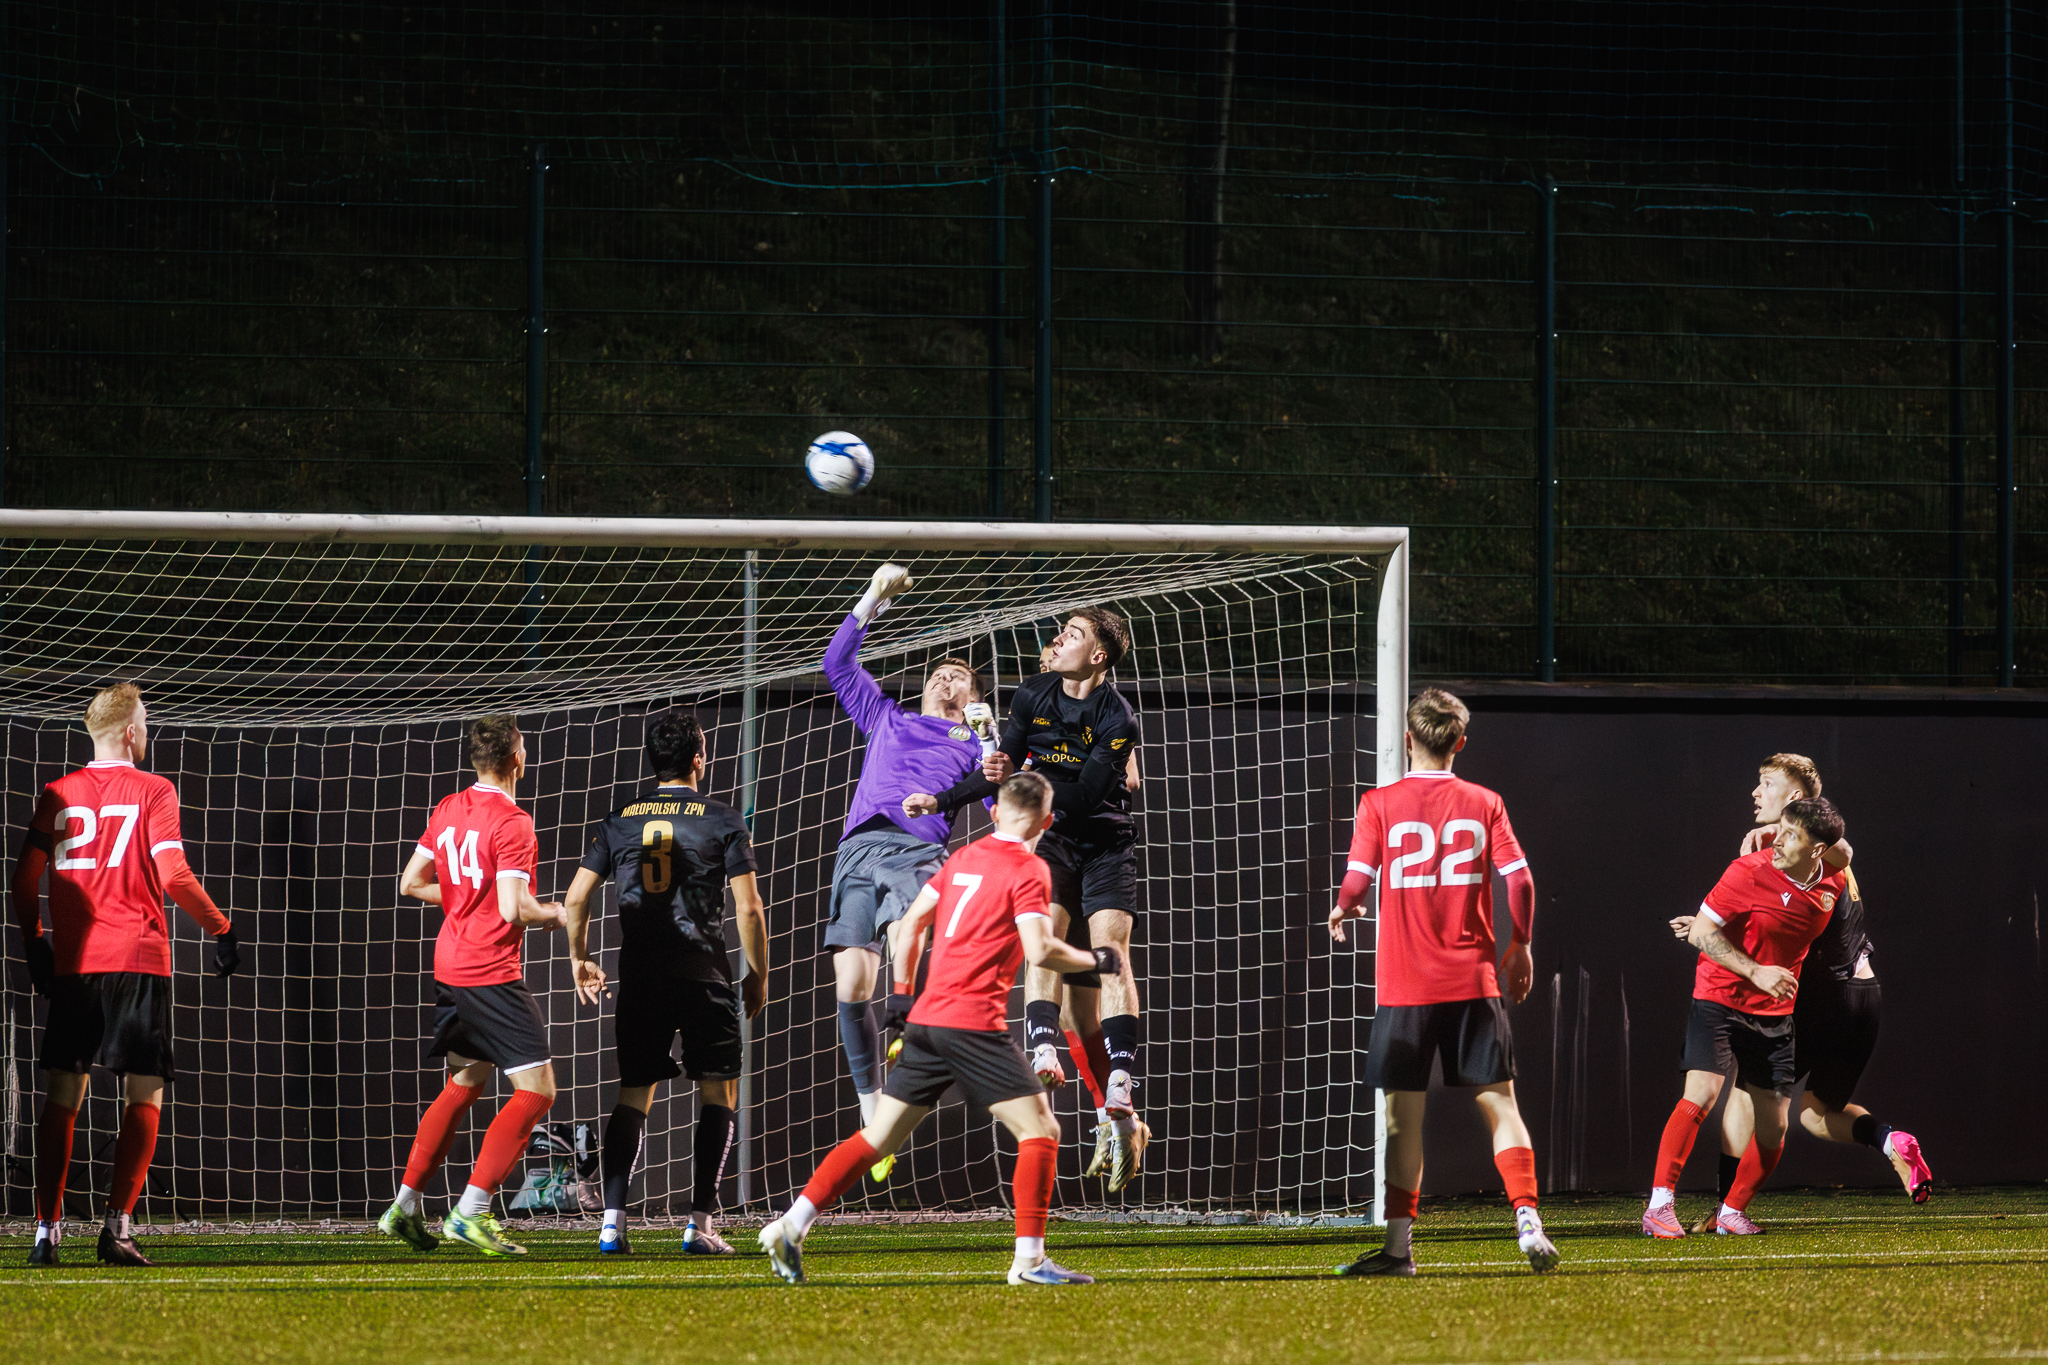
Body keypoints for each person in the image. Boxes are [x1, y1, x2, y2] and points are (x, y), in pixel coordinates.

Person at [758, 772, 1119, 1286]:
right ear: (1047, 821)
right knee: (1041, 1131)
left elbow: (910, 925)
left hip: (927, 1019)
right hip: (973, 1024)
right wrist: (1096, 960)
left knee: (879, 1137)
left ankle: (791, 1224)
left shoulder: (963, 857)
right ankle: (1029, 1262)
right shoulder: (1030, 869)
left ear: (993, 812)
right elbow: (1041, 951)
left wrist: (902, 998)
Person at [909, 607, 1149, 1190]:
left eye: (1072, 634)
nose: (1057, 639)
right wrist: (945, 799)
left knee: (1107, 956)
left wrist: (1023, 779)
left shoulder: (1118, 716)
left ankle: (1121, 1090)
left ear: (1098, 656)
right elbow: (1001, 769)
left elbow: (1088, 794)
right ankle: (1050, 1056)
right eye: (1060, 631)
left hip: (1105, 843)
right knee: (1054, 969)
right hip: (1054, 841)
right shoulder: (1031, 694)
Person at [1328, 688, 1558, 1277]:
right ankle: (1528, 1220)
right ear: (1460, 743)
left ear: (1408, 739)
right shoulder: (1485, 801)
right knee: (1501, 1104)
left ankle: (1398, 1250)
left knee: (1402, 1120)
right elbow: (1521, 881)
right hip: (1472, 979)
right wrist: (1521, 944)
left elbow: (1357, 879)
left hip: (1404, 987)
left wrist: (1344, 908)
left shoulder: (1379, 803)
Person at [11, 684, 242, 1267]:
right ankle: (116, 1229)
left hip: (76, 964)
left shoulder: (57, 792)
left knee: (62, 1094)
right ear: (132, 732)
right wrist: (220, 929)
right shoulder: (154, 789)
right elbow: (174, 874)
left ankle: (45, 1232)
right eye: (146, 724)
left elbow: (22, 878)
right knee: (145, 1091)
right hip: (138, 958)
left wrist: (36, 944)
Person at [1667, 755, 1931, 1230]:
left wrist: (1715, 931)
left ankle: (1725, 1210)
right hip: (1864, 994)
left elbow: (1832, 858)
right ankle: (1889, 1139)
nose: (1756, 793)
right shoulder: (1818, 849)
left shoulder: (1810, 850)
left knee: (1745, 1097)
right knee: (1815, 1114)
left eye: (1767, 784)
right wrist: (1713, 925)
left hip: (1823, 994)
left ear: (1795, 799)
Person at [564, 709, 768, 1256]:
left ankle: (611, 1225)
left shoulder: (620, 819)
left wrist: (579, 958)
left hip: (642, 976)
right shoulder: (722, 818)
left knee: (634, 1094)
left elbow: (576, 897)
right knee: (719, 1092)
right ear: (699, 758)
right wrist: (758, 975)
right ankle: (699, 1225)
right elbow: (749, 908)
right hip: (704, 974)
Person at [820, 563, 988, 1183]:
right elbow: (836, 663)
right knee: (849, 985)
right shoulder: (887, 717)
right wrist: (871, 597)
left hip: (916, 849)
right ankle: (873, 1109)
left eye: (960, 676)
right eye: (940, 672)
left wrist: (991, 740)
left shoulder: (972, 742)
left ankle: (909, 1015)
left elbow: (1005, 807)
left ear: (972, 698)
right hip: (857, 849)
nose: (947, 677)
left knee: (911, 925)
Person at [379, 715, 568, 1257]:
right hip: (489, 971)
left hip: (450, 967)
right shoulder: (514, 822)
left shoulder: (448, 807)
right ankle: (472, 1210)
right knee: (538, 1090)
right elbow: (514, 908)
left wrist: (466, 896)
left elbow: (411, 883)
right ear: (516, 760)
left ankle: (405, 1205)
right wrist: (555, 914)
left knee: (464, 1081)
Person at [1644, 796, 1849, 1238]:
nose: (1778, 840)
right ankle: (1659, 1206)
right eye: (1780, 829)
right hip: (1719, 996)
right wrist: (1756, 971)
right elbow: (1701, 932)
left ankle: (1731, 1212)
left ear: (1818, 850)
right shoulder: (1748, 871)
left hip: (1774, 1014)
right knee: (1702, 1095)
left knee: (1775, 1128)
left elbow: (1845, 850)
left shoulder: (1834, 876)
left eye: (1791, 835)